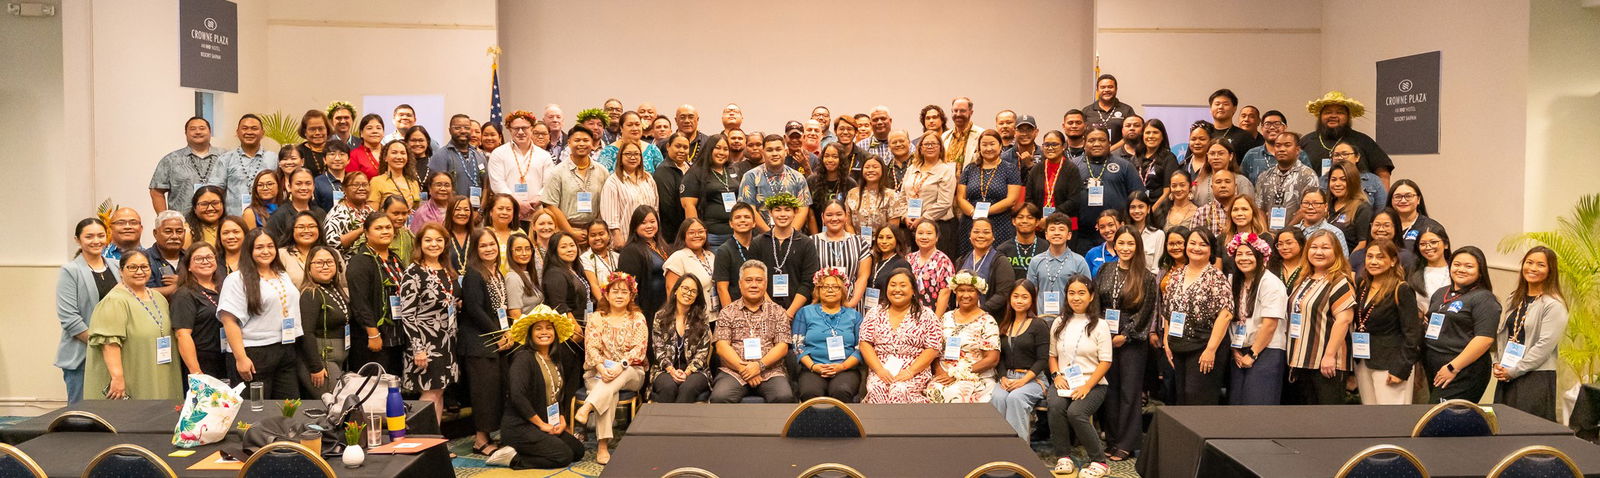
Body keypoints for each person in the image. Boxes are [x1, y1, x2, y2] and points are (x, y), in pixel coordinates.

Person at [218, 229, 321, 399]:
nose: (266, 251)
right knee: (256, 411)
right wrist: (241, 358)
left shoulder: (282, 274)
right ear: (249, 250)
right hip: (253, 353)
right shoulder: (237, 279)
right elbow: (229, 321)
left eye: (270, 246)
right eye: (259, 247)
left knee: (288, 407)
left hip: (285, 348)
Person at [485, 306, 585, 470]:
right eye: (538, 328)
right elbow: (518, 397)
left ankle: (534, 448)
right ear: (530, 334)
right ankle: (512, 457)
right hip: (520, 426)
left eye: (548, 328)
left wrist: (561, 418)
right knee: (563, 456)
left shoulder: (554, 358)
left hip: (545, 423)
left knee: (577, 450)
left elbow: (556, 394)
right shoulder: (524, 358)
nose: (544, 332)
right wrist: (541, 425)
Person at [84, 252, 182, 400]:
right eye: (132, 267)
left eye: (144, 267)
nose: (139, 272)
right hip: (132, 376)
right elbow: (109, 344)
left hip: (160, 370)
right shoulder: (114, 301)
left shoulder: (158, 298)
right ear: (121, 271)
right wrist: (117, 378)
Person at [1096, 227, 1158, 459]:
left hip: (1132, 341)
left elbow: (1145, 311)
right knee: (1109, 390)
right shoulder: (1105, 269)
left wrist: (1125, 334)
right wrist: (1101, 332)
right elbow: (1096, 304)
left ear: (1138, 247)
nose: (1125, 248)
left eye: (1130, 244)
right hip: (1105, 338)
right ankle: (1112, 440)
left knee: (1129, 392)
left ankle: (1126, 443)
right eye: (1121, 243)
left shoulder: (1146, 276)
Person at [574, 272, 647, 465]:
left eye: (625, 291)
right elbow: (591, 347)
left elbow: (639, 349)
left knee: (618, 376)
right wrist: (600, 367)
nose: (620, 295)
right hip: (599, 373)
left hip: (631, 372)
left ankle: (588, 406)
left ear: (632, 295)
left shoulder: (637, 318)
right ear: (606, 294)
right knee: (610, 392)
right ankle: (603, 446)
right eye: (615, 291)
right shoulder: (596, 318)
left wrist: (620, 366)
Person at [1046, 275, 1113, 477]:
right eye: (1071, 293)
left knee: (1077, 412)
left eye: (1081, 293)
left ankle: (1100, 461)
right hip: (1064, 381)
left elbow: (1106, 361)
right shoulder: (1058, 322)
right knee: (1055, 406)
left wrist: (1086, 387)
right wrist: (1056, 375)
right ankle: (1063, 457)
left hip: (1093, 383)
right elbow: (1052, 356)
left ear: (1091, 296)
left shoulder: (1100, 325)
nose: (1076, 298)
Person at [1494, 246, 1568, 421]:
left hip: (1535, 378)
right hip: (1508, 374)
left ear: (1550, 270)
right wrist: (1498, 363)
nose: (1533, 268)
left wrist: (1514, 371)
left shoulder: (1553, 304)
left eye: (1540, 265)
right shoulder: (1515, 298)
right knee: (1504, 425)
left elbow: (1544, 346)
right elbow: (1503, 334)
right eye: (1529, 262)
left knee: (1526, 430)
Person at [1160, 228, 1233, 405]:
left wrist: (1211, 349)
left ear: (1211, 250)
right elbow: (1169, 312)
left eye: (1203, 244)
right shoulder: (1176, 275)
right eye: (1192, 243)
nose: (1196, 248)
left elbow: (1225, 315)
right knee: (1182, 398)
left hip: (1204, 347)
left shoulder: (1216, 277)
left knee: (1198, 399)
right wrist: (1167, 342)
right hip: (1178, 347)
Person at [1284, 230, 1356, 405]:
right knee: (1308, 419)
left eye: (1325, 247)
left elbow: (1344, 320)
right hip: (1301, 360)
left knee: (1329, 419)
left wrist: (1329, 355)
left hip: (1326, 363)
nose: (1318, 252)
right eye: (1314, 247)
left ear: (1336, 252)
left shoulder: (1339, 281)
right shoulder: (1304, 279)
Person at [1347, 239, 1422, 405]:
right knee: (1371, 417)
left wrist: (1401, 369)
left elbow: (1412, 334)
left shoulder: (1401, 289)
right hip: (1364, 361)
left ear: (1393, 261)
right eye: (1370, 256)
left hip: (1391, 364)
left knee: (1391, 420)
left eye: (1380, 257)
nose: (1374, 261)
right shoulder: (1363, 285)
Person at [710, 261, 797, 403]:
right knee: (720, 397)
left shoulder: (778, 312)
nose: (754, 285)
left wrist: (758, 366)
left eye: (759, 280)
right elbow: (721, 346)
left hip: (770, 371)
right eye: (748, 280)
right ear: (740, 283)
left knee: (783, 396)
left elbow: (782, 347)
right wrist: (744, 369)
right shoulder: (728, 311)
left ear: (766, 283)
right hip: (734, 371)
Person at [398, 224, 460, 423]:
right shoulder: (413, 272)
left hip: (446, 342)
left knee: (438, 393)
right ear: (419, 244)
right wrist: (418, 349)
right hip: (425, 344)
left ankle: (435, 443)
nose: (434, 244)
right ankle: (422, 443)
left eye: (439, 240)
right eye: (428, 240)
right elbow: (407, 314)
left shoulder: (447, 269)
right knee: (430, 395)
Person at [1424, 246, 1501, 403]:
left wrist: (1453, 367)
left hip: (1462, 370)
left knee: (1442, 417)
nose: (1461, 269)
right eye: (1457, 264)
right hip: (1434, 366)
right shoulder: (1441, 293)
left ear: (1480, 271)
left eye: (1469, 266)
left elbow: (1484, 339)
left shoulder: (1484, 299)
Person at [56, 219, 119, 403]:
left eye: (100, 235)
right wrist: (100, 344)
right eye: (89, 236)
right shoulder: (71, 270)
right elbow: (69, 318)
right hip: (82, 355)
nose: (96, 241)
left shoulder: (116, 266)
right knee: (81, 415)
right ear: (78, 239)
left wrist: (112, 348)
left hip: (115, 352)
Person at [460, 227, 510, 456]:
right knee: (483, 392)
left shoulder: (496, 271)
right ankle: (480, 440)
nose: (489, 249)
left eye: (492, 244)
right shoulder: (473, 273)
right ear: (475, 250)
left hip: (495, 339)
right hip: (479, 343)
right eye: (483, 246)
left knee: (494, 391)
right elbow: (475, 309)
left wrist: (507, 332)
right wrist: (498, 334)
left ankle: (488, 435)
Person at [1223, 233, 1289, 405]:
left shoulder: (1270, 283)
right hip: (1240, 350)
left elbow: (1270, 324)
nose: (1243, 258)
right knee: (1237, 404)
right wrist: (1235, 351)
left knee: (1257, 405)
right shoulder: (1235, 282)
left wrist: (1252, 354)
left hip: (1266, 350)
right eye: (1239, 254)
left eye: (1249, 254)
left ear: (1260, 257)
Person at [860, 268, 942, 403]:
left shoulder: (926, 315)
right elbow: (865, 343)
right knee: (876, 388)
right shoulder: (875, 313)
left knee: (899, 390)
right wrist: (880, 370)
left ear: (913, 290)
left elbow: (933, 348)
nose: (897, 289)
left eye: (903, 285)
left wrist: (910, 371)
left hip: (914, 369)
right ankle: (877, 425)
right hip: (881, 368)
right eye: (892, 285)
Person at [926, 270, 1001, 403]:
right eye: (961, 290)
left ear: (978, 293)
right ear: (955, 292)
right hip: (944, 373)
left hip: (974, 375)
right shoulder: (946, 317)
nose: (965, 295)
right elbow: (934, 349)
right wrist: (939, 371)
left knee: (955, 394)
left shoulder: (987, 321)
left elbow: (992, 359)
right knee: (933, 389)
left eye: (970, 290)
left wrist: (957, 374)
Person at [345, 212, 406, 377]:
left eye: (388, 227)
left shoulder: (395, 259)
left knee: (394, 386)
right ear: (366, 232)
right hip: (373, 337)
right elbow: (359, 302)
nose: (385, 231)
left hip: (396, 335)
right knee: (374, 387)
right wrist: (373, 333)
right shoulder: (360, 261)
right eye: (378, 228)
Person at [1299, 91, 1394, 194]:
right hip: (1316, 203)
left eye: (1340, 112)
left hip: (1357, 202)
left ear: (1348, 117)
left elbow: (1383, 173)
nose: (1333, 116)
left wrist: (1383, 203)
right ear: (1320, 116)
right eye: (1328, 112)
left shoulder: (1363, 140)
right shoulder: (1307, 141)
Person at [793, 268, 865, 402]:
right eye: (825, 286)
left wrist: (842, 366)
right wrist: (814, 366)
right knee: (810, 393)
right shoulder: (804, 312)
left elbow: (861, 347)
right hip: (812, 368)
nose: (830, 290)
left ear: (843, 290)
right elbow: (797, 345)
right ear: (818, 290)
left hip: (845, 369)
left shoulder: (854, 315)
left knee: (841, 391)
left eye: (835, 287)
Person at [990, 280, 1048, 440]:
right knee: (997, 398)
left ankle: (1018, 453)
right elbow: (1000, 358)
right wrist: (1002, 377)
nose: (1019, 301)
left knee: (1016, 398)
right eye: (1015, 296)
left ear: (1032, 300)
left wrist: (1023, 381)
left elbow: (1043, 359)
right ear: (1010, 299)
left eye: (1024, 297)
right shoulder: (1004, 324)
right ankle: (998, 449)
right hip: (1007, 378)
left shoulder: (1039, 325)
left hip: (1033, 380)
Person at [170, 242, 227, 391]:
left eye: (209, 257)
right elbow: (183, 335)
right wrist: (196, 372)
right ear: (188, 266)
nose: (205, 261)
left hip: (226, 358)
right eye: (199, 258)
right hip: (202, 362)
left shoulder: (225, 287)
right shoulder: (184, 294)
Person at [957, 130, 1024, 255]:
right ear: (979, 147)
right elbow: (960, 198)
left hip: (1000, 223)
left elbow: (1012, 199)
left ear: (1000, 146)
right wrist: (974, 213)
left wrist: (985, 212)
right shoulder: (970, 169)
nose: (988, 148)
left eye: (992, 144)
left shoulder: (1010, 169)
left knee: (997, 260)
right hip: (971, 223)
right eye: (984, 144)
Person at [650, 274, 714, 403]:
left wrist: (687, 372)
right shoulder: (660, 317)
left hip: (696, 371)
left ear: (697, 296)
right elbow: (658, 349)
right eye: (685, 288)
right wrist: (672, 371)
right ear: (676, 291)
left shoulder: (702, 319)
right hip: (665, 369)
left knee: (687, 388)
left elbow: (702, 353)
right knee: (668, 387)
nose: (688, 293)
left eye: (693, 291)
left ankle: (677, 423)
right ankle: (665, 423)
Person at [296, 245, 349, 395]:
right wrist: (316, 367)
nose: (325, 266)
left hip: (338, 359)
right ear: (309, 267)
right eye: (319, 263)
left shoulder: (335, 288)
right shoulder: (310, 294)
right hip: (321, 361)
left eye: (329, 262)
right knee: (334, 403)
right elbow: (306, 332)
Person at [902, 132, 960, 258]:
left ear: (940, 148)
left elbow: (945, 203)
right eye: (926, 144)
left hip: (938, 227)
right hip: (912, 226)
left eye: (934, 144)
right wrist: (905, 216)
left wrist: (923, 219)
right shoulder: (912, 168)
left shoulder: (945, 171)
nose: (930, 147)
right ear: (920, 148)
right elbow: (902, 197)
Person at [149, 117, 225, 213]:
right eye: (193, 129)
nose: (198, 132)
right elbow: (156, 192)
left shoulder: (225, 157)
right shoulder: (171, 160)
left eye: (202, 128)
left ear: (210, 132)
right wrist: (164, 218)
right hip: (182, 223)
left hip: (220, 223)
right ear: (186, 133)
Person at [739, 134, 813, 232]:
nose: (774, 153)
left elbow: (802, 210)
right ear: (763, 152)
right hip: (760, 239)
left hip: (792, 239)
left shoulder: (798, 177)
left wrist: (789, 235)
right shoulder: (750, 176)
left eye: (778, 149)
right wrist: (770, 236)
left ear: (785, 152)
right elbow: (749, 209)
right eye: (769, 150)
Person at [543, 126, 608, 235]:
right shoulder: (557, 172)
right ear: (569, 143)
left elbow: (606, 203)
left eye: (586, 140)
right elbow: (550, 206)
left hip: (595, 233)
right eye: (577, 140)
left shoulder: (602, 171)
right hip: (565, 232)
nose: (581, 144)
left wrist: (594, 230)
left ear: (592, 144)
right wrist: (571, 231)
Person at [490, 111, 554, 221]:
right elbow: (497, 184)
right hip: (508, 214)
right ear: (510, 129)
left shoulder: (544, 156)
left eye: (524, 128)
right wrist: (517, 203)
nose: (520, 132)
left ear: (531, 129)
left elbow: (549, 184)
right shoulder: (498, 153)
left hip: (535, 215)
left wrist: (536, 200)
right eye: (516, 128)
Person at [1255, 131, 1321, 231]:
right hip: (1268, 235)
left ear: (1297, 150)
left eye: (1287, 145)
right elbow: (1259, 208)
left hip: (1298, 234)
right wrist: (1265, 233)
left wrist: (1286, 231)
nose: (1282, 149)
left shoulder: (1308, 175)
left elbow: (1307, 208)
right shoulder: (1264, 176)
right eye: (1278, 145)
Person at [1028, 213, 1091, 316]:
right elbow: (1030, 294)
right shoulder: (1035, 261)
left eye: (1061, 229)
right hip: (1042, 320)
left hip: (1069, 320)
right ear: (1046, 235)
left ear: (1069, 235)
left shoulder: (1079, 262)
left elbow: (1087, 294)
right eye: (1052, 229)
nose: (1056, 233)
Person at [599, 142, 659, 248]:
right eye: (628, 154)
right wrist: (617, 238)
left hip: (649, 239)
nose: (633, 157)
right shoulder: (613, 182)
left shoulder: (648, 178)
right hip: (626, 240)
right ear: (620, 157)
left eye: (636, 154)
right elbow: (610, 216)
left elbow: (655, 208)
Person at [681, 134, 737, 247]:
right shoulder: (695, 173)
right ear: (709, 149)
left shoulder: (732, 169)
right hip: (712, 237)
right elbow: (689, 205)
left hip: (735, 233)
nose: (721, 152)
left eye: (726, 149)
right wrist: (697, 234)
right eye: (717, 148)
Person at [616, 206, 671, 320]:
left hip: (667, 306)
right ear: (635, 226)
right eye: (643, 223)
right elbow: (629, 288)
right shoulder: (630, 251)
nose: (649, 226)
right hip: (647, 310)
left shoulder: (663, 245)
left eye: (652, 222)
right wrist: (636, 315)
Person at [958, 218, 1018, 317]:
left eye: (986, 232)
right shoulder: (961, 260)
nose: (980, 235)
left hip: (989, 317)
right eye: (976, 232)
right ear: (970, 235)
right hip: (962, 316)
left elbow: (1003, 294)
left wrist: (980, 311)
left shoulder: (1000, 261)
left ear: (993, 236)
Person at [223, 114, 280, 216]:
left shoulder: (273, 158)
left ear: (262, 133)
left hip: (266, 220)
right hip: (235, 222)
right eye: (245, 128)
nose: (249, 132)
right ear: (237, 132)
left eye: (254, 128)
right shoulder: (226, 159)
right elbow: (216, 189)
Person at [1024, 131, 1084, 226]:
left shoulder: (1071, 169)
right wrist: (1038, 218)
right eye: (1046, 145)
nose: (1050, 148)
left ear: (1064, 146)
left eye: (1055, 144)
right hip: (1040, 224)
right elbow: (1028, 198)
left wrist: (1050, 218)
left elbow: (1074, 200)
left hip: (1065, 223)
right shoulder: (1036, 169)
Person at [543, 231, 594, 339]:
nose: (570, 249)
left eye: (572, 245)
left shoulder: (574, 269)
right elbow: (559, 305)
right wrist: (575, 328)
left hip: (585, 324)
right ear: (554, 251)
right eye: (563, 247)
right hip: (569, 332)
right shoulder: (555, 273)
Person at [850, 225, 911, 311]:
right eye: (880, 237)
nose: (884, 241)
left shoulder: (901, 264)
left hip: (888, 312)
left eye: (889, 237)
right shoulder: (871, 260)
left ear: (897, 239)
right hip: (866, 310)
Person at [664, 218, 718, 311]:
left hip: (715, 315)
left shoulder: (711, 256)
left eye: (701, 232)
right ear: (683, 235)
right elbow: (671, 292)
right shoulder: (677, 258)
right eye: (691, 233)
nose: (697, 235)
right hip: (691, 318)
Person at [846, 155, 907, 238]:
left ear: (882, 170)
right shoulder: (852, 193)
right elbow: (847, 223)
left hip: (882, 244)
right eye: (867, 167)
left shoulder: (891, 195)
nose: (871, 170)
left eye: (875, 167)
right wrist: (855, 242)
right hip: (856, 243)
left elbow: (893, 228)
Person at [807, 143, 859, 233]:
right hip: (817, 232)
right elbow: (810, 214)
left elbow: (850, 217)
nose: (830, 160)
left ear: (841, 160)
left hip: (842, 234)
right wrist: (816, 238)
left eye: (835, 157)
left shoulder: (850, 184)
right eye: (826, 156)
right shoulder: (812, 181)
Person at [265, 168, 326, 245]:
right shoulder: (279, 215)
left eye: (308, 183)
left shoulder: (320, 213)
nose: (304, 188)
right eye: (298, 183)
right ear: (289, 187)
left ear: (313, 187)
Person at [908, 220, 954, 318]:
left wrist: (935, 322)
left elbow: (945, 294)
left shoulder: (943, 261)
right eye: (920, 233)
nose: (924, 237)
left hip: (933, 315)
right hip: (908, 316)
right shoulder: (909, 258)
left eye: (929, 233)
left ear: (937, 237)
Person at [812, 200, 869, 280]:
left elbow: (863, 277)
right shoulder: (811, 242)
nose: (834, 218)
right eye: (829, 215)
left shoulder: (860, 242)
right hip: (819, 292)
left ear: (846, 216)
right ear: (822, 217)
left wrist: (853, 293)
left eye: (839, 214)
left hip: (852, 292)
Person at [1192, 142, 1256, 208]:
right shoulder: (1200, 181)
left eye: (1221, 153)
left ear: (1231, 156)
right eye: (1212, 154)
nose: (1216, 157)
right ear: (1207, 156)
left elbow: (1249, 208)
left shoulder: (1242, 181)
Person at [597, 111, 664, 173]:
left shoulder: (652, 150)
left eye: (637, 124)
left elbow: (661, 176)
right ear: (621, 128)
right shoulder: (608, 152)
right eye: (630, 125)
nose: (635, 128)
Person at [142, 210, 187, 297]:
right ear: (155, 233)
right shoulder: (143, 258)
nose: (174, 236)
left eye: (179, 231)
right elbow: (143, 293)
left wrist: (182, 282)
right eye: (168, 231)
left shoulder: (191, 257)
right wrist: (182, 284)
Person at [1132, 119, 1181, 199]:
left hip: (1160, 208)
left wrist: (1151, 210)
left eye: (1155, 132)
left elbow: (1167, 191)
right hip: (1138, 208)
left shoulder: (1169, 158)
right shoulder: (1135, 158)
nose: (1151, 136)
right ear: (1142, 136)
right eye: (1148, 133)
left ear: (1162, 137)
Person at [1292, 189, 1349, 256]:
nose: (1310, 207)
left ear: (1325, 207)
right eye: (1306, 203)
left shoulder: (1335, 233)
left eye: (1316, 203)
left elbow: (1343, 263)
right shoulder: (1291, 232)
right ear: (1301, 206)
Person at [996, 204, 1044, 281]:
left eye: (1030, 217)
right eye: (1020, 217)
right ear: (1013, 221)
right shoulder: (1003, 250)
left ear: (1037, 222)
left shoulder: (1047, 248)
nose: (1025, 221)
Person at [368, 140, 422, 208]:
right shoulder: (377, 182)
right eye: (394, 153)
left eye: (403, 153)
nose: (399, 157)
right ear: (385, 158)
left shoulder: (413, 182)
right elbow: (372, 214)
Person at [277, 212, 322, 289]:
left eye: (311, 226)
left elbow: (344, 286)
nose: (307, 230)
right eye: (301, 227)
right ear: (292, 230)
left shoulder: (331, 253)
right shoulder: (281, 254)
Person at [580, 220, 618, 305]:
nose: (597, 238)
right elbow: (593, 284)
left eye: (601, 234)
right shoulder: (584, 258)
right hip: (600, 305)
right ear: (588, 238)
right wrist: (606, 305)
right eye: (593, 235)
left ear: (608, 235)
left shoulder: (617, 256)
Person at [1085, 211, 1123, 276]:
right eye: (1102, 227)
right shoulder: (1092, 253)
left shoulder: (1129, 251)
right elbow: (1086, 282)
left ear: (1122, 225)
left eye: (1111, 225)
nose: (1107, 230)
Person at [349, 114, 386, 180]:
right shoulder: (354, 155)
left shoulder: (391, 152)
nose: (375, 131)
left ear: (383, 133)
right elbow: (352, 182)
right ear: (361, 133)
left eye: (378, 128)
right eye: (369, 128)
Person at [298, 109, 334, 177]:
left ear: (327, 130)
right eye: (312, 129)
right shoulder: (298, 152)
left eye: (321, 128)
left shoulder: (337, 149)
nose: (317, 133)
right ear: (305, 132)